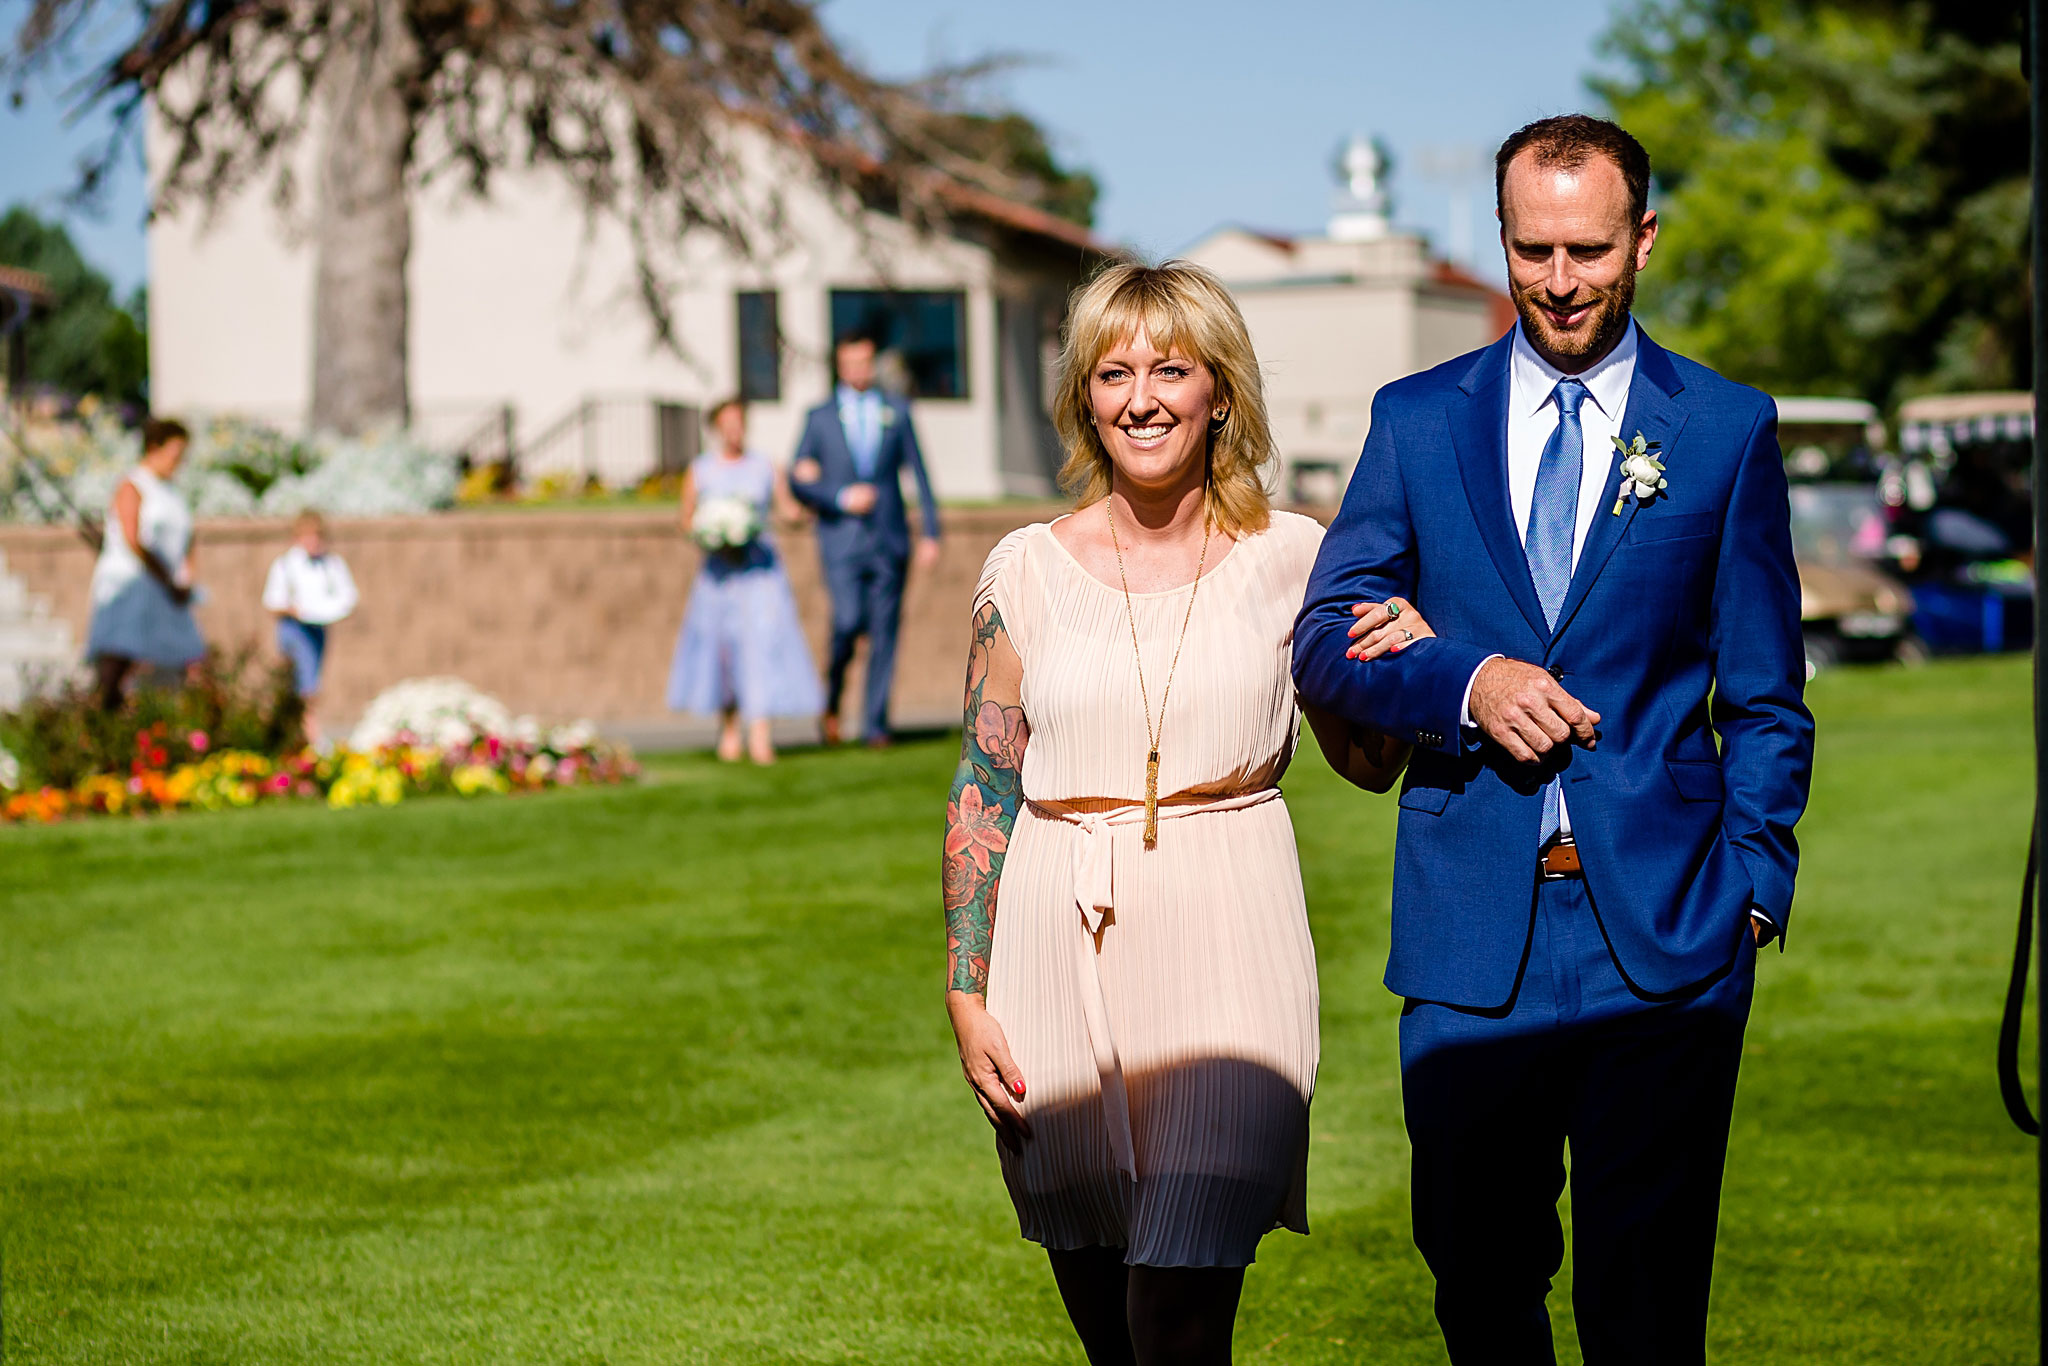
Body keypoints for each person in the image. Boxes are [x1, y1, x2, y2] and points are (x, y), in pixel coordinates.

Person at [1293, 114, 1815, 1365]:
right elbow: (1322, 636)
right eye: (1532, 250)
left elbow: (1763, 695)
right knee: (1478, 1289)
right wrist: (1463, 680)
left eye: (1586, 249)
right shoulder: (1416, 420)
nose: (1559, 280)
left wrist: (1753, 886)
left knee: (1646, 1311)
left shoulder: (1723, 427)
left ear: (1640, 240)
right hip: (1470, 926)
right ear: (1503, 241)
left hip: (1670, 935)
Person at [943, 261, 1429, 1366]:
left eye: (1170, 367)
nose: (1141, 396)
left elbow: (1365, 764)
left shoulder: (1298, 556)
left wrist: (1394, 666)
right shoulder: (1019, 569)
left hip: (1228, 925)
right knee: (1103, 1308)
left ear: (1219, 390)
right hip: (1050, 934)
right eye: (1112, 371)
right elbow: (983, 782)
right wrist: (966, 990)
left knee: (1176, 1306)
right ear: (1082, 396)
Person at [788, 329, 942, 747]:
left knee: (884, 633)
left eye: (864, 362)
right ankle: (832, 699)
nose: (858, 369)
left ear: (872, 363)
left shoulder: (896, 410)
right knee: (847, 620)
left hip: (889, 540)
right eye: (850, 363)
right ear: (840, 366)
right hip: (840, 542)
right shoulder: (817, 418)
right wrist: (839, 496)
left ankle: (875, 724)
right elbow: (796, 479)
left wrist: (930, 531)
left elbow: (920, 473)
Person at [667, 397, 824, 764]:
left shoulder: (765, 467)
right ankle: (730, 729)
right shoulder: (701, 469)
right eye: (728, 422)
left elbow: (788, 511)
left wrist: (811, 505)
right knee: (724, 652)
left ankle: (761, 734)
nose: (735, 429)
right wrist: (711, 532)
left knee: (763, 647)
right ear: (717, 428)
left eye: (740, 421)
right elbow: (685, 519)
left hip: (760, 575)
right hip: (720, 578)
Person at [85, 417, 206, 709]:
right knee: (118, 659)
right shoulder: (133, 485)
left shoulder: (172, 492)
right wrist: (165, 578)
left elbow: (187, 540)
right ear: (154, 447)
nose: (179, 462)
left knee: (183, 658)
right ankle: (99, 729)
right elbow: (132, 538)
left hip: (165, 587)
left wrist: (184, 578)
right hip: (130, 585)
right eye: (175, 454)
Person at [261, 509, 359, 745]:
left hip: (318, 627)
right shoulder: (286, 564)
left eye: (317, 536)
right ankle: (310, 733)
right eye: (308, 536)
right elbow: (272, 602)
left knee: (309, 680)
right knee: (304, 685)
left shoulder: (331, 564)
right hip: (294, 629)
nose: (313, 541)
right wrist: (293, 609)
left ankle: (297, 731)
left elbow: (346, 596)